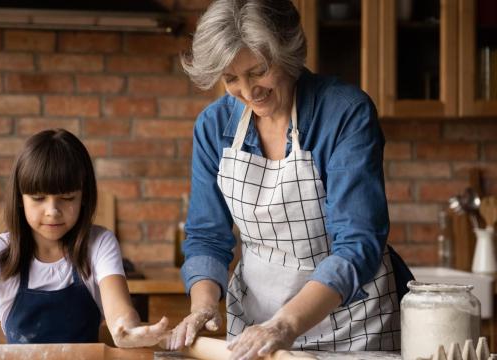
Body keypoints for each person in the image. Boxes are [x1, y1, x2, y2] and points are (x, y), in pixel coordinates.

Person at [167, 0, 414, 358]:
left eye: (259, 71)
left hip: (353, 325)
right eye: (231, 78)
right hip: (256, 327)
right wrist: (203, 306)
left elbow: (358, 242)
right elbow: (207, 237)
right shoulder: (214, 126)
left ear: (288, 52)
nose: (249, 92)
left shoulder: (344, 113)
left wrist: (286, 324)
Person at [0, 129, 169, 354]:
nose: (52, 210)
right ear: (20, 199)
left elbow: (119, 309)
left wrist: (127, 330)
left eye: (67, 198)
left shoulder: (98, 244)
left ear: (84, 197)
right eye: (38, 198)